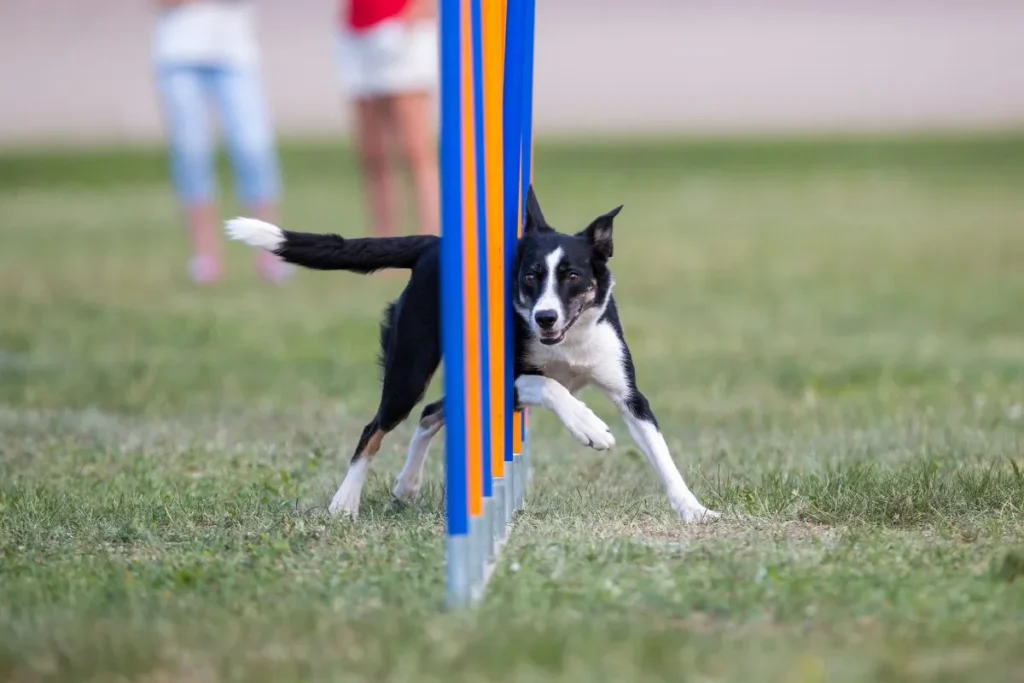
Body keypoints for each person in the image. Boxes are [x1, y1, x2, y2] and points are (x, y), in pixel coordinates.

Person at [152, 0, 290, 284]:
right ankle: (205, 257)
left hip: (235, 53)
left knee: (253, 149)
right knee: (191, 152)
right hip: (178, 53)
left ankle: (271, 253)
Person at [335, 0, 440, 237]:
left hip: (402, 26)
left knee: (415, 149)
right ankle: (384, 245)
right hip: (357, 30)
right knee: (373, 153)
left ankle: (429, 241)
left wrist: (415, 12)